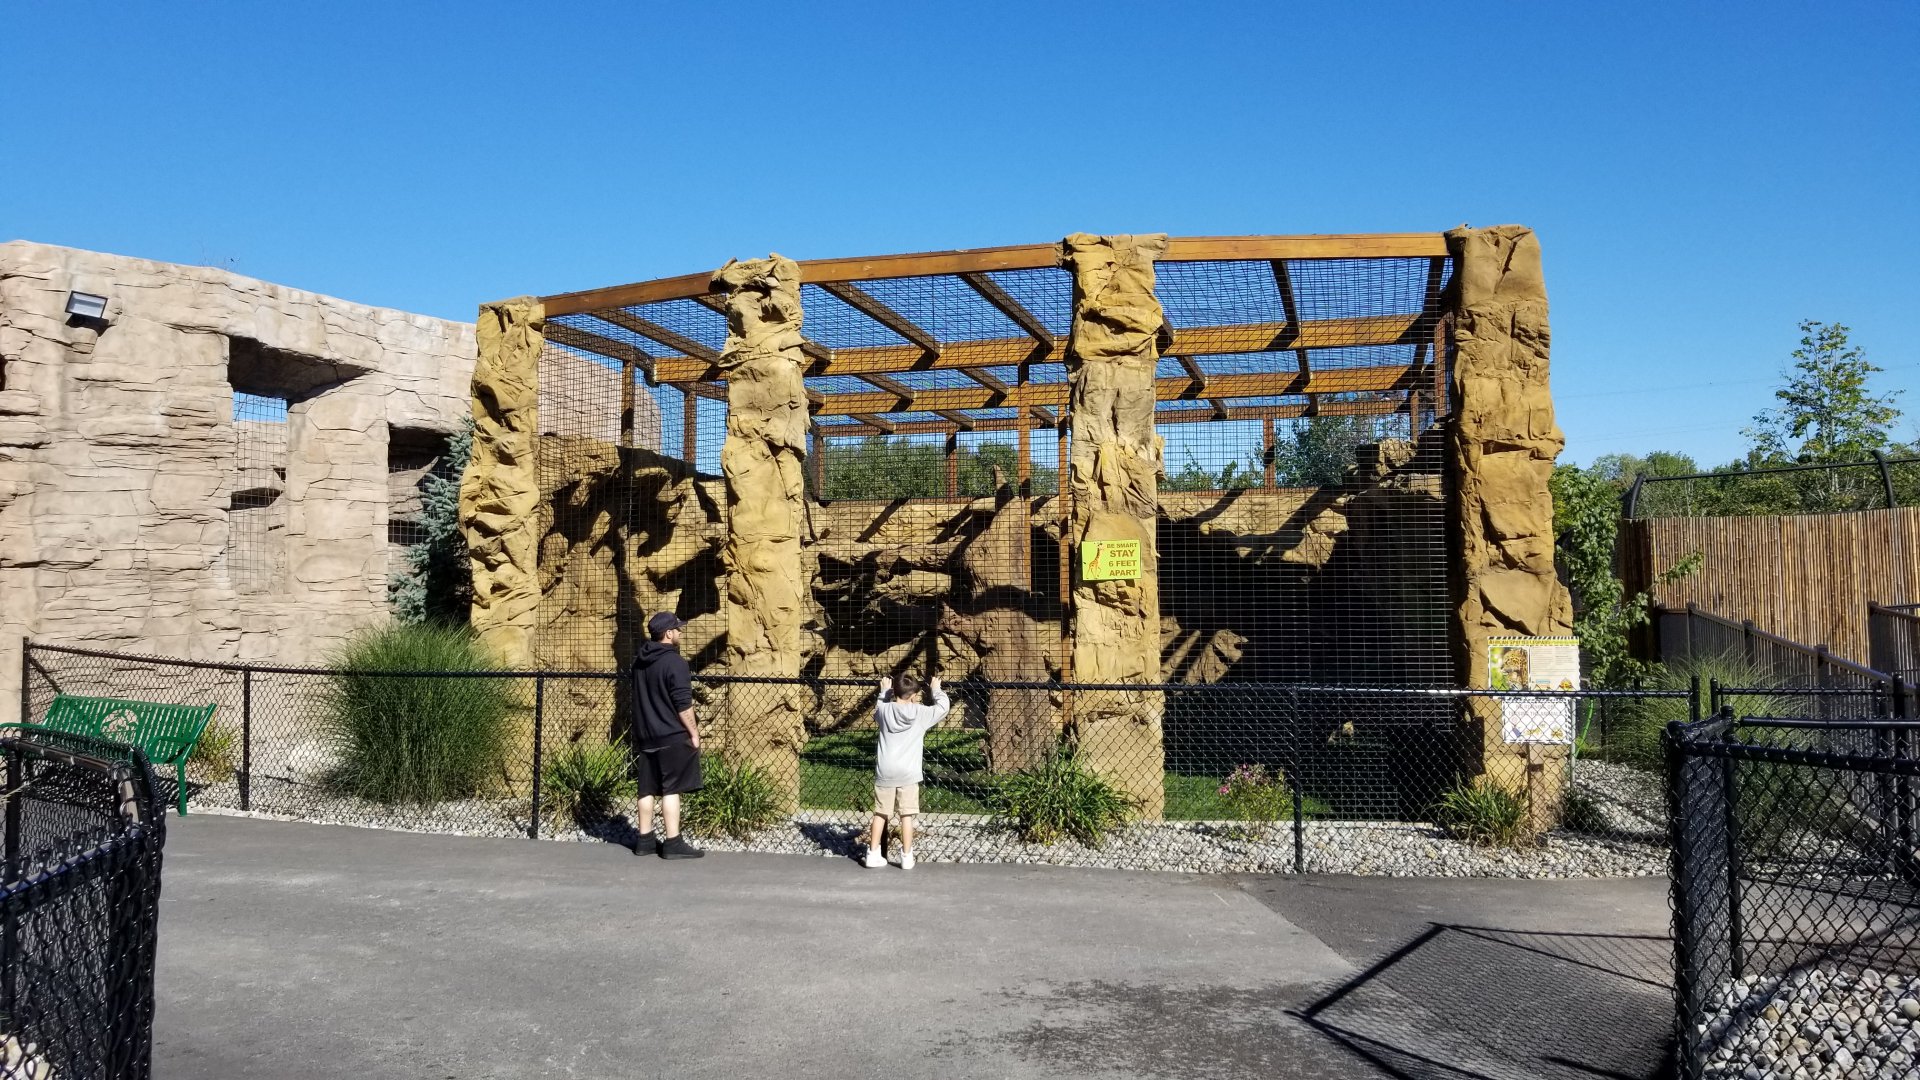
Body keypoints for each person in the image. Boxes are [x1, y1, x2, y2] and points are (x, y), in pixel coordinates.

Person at [630, 612, 704, 860]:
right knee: (671, 788)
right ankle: (672, 842)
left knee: (646, 789)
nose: (681, 633)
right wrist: (694, 733)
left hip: (645, 733)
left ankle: (645, 840)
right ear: (668, 633)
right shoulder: (675, 663)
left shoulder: (639, 662)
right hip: (671, 734)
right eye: (678, 629)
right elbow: (683, 703)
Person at [867, 672, 949, 869]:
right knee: (906, 815)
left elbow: (877, 713)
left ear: (895, 691)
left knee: (880, 812)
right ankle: (906, 856)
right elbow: (943, 708)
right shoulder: (921, 714)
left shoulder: (884, 710)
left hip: (886, 770)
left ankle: (873, 853)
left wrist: (884, 693)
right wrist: (936, 690)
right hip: (908, 772)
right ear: (913, 695)